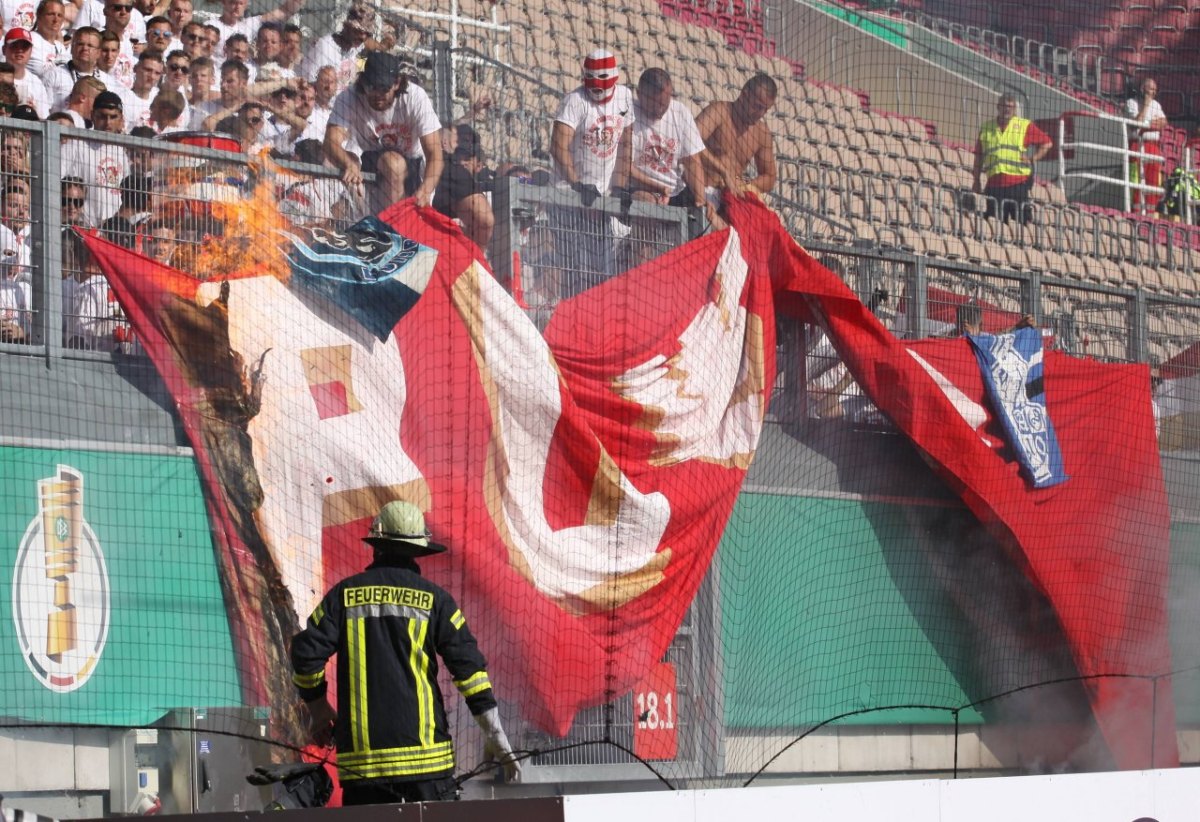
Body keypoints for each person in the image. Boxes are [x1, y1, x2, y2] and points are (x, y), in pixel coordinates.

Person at [291, 500, 521, 805]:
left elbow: (305, 655)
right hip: (427, 766)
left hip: (364, 769)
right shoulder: (436, 600)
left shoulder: (343, 597)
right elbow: (470, 673)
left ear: (376, 546)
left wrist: (318, 708)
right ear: (418, 551)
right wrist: (496, 737)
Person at [324, 50, 443, 212]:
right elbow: (331, 142)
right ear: (362, 82)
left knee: (394, 163)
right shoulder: (348, 97)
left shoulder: (416, 97)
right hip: (371, 160)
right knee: (378, 161)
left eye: (384, 88)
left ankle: (393, 225)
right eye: (371, 87)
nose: (377, 94)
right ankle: (381, 225)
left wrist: (426, 189)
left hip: (413, 164)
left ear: (396, 83)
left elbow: (435, 154)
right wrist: (348, 163)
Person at [613, 67, 707, 210]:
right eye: (653, 103)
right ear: (639, 94)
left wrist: (701, 201)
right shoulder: (627, 113)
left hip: (674, 191)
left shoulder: (680, 113)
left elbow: (692, 162)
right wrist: (657, 188)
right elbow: (626, 168)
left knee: (707, 212)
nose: (659, 109)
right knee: (648, 203)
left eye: (664, 103)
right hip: (639, 187)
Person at [550, 48, 634, 204]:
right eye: (589, 77)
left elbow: (625, 144)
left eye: (602, 77)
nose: (596, 84)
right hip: (568, 192)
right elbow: (558, 146)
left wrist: (619, 187)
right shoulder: (574, 101)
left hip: (604, 193)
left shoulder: (625, 97)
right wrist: (577, 185)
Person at [971, 92, 1052, 224]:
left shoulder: (1024, 125)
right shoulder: (986, 128)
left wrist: (1032, 159)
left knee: (1021, 223)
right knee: (994, 224)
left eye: (1010, 107)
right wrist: (976, 180)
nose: (1007, 109)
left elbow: (1047, 143)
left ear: (1014, 109)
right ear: (998, 107)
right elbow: (978, 157)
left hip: (1017, 184)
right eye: (1004, 106)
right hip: (994, 185)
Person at [696, 72, 778, 197]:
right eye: (757, 106)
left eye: (765, 109)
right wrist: (723, 172)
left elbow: (769, 177)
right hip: (701, 189)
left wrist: (746, 184)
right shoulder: (719, 112)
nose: (760, 113)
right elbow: (690, 141)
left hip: (731, 196)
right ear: (744, 95)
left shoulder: (762, 133)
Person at [433, 124, 493, 250]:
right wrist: (477, 256)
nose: (457, 147)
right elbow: (485, 221)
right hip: (441, 248)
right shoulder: (453, 171)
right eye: (456, 141)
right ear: (445, 143)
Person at [297, 2, 370, 92]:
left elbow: (357, 78)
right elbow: (308, 83)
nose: (363, 37)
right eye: (358, 31)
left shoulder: (359, 50)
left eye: (368, 34)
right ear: (346, 27)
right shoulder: (324, 46)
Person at [1125, 77, 1167, 212]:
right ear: (1142, 89)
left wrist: (1147, 125)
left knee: (1153, 181)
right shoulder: (1131, 103)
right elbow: (1136, 123)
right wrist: (1147, 104)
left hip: (1153, 146)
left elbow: (1163, 122)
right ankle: (1136, 211)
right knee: (1136, 180)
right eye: (1150, 89)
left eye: (1155, 90)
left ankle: (1150, 212)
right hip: (1136, 144)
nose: (1153, 92)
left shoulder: (1157, 105)